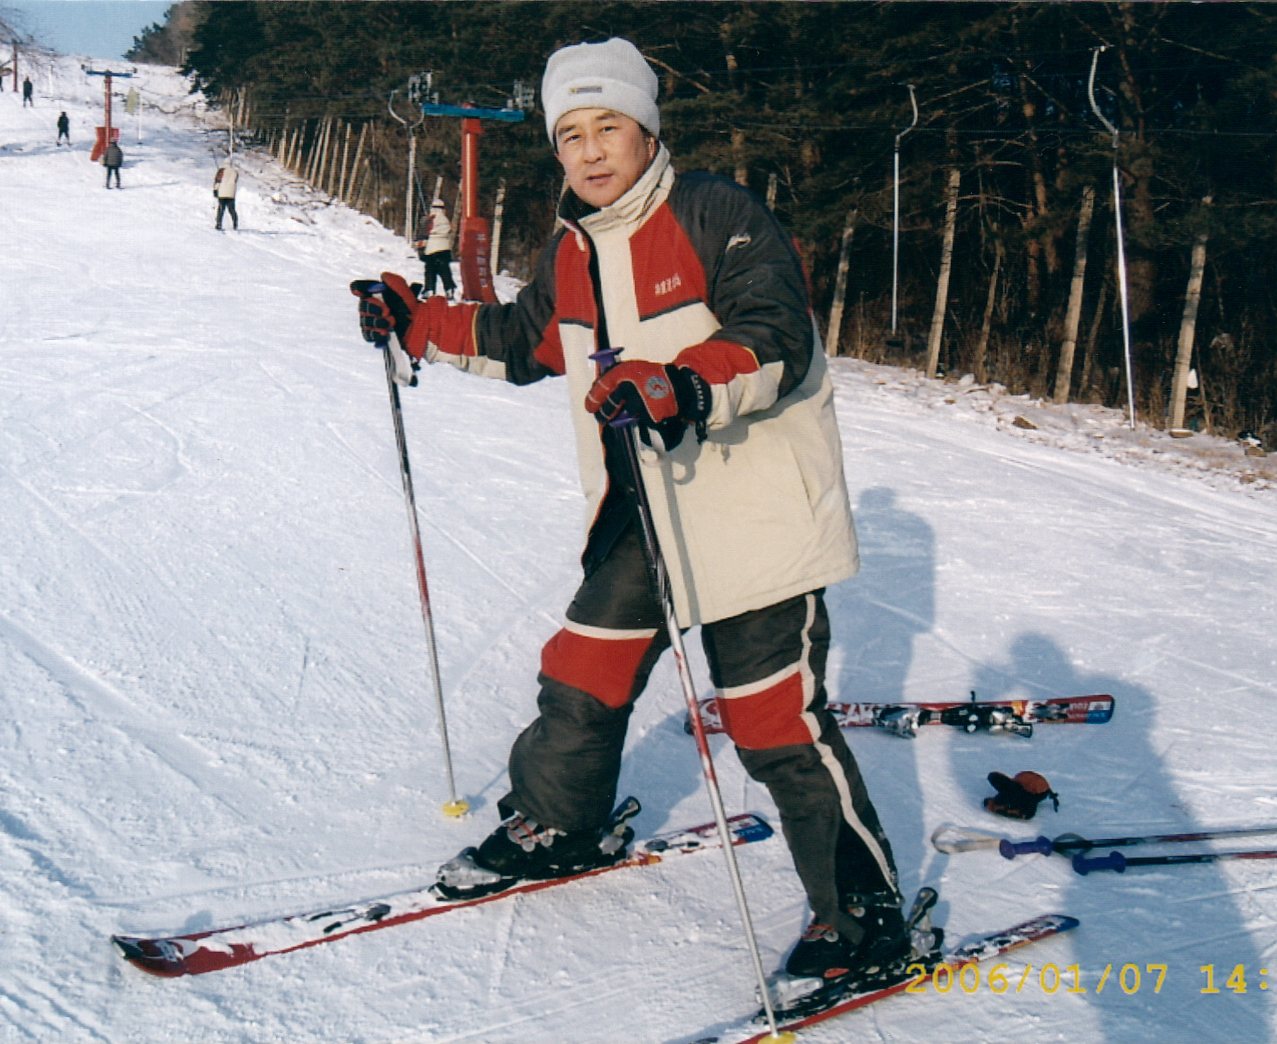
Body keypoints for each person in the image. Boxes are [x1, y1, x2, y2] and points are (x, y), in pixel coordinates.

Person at [351, 37, 916, 989]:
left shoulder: (715, 213)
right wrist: (418, 322)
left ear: (647, 127)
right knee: (582, 673)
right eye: (569, 133)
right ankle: (561, 824)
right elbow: (523, 339)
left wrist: (682, 385)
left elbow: (775, 333)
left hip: (752, 515)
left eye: (607, 124)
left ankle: (860, 912)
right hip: (638, 510)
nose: (589, 149)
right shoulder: (574, 246)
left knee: (772, 720)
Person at [415, 198, 456, 299]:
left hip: (432, 250)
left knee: (430, 271)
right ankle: (449, 289)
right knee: (444, 270)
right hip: (445, 249)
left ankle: (429, 289)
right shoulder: (445, 220)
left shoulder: (429, 220)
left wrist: (420, 248)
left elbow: (423, 234)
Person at [213, 160, 239, 230]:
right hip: (231, 194)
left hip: (222, 193)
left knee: (221, 209)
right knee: (232, 209)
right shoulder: (235, 172)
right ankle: (235, 223)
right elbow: (235, 180)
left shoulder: (221, 170)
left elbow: (218, 181)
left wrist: (215, 190)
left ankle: (218, 224)